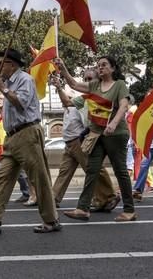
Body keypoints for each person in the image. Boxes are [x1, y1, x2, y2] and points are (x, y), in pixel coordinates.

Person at [0, 48, 61, 234]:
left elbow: (21, 104)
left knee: (39, 178)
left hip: (27, 133)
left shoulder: (24, 80)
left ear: (11, 65)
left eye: (0, 63)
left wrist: (3, 89)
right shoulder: (8, 83)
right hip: (12, 137)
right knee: (1, 177)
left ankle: (51, 220)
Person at [57, 55, 137, 222]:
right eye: (98, 65)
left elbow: (123, 106)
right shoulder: (94, 85)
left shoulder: (119, 85)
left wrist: (113, 124)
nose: (100, 67)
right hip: (96, 134)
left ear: (113, 68)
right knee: (92, 170)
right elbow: (73, 84)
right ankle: (83, 208)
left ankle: (129, 210)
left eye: (104, 65)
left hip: (115, 134)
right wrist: (63, 67)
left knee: (121, 171)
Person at [50, 70, 119, 211]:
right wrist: (59, 88)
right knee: (65, 171)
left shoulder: (90, 98)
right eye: (85, 78)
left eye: (90, 78)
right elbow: (67, 102)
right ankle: (53, 199)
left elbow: (68, 102)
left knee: (93, 169)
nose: (87, 81)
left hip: (80, 140)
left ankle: (110, 196)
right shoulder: (81, 97)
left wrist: (59, 87)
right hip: (69, 141)